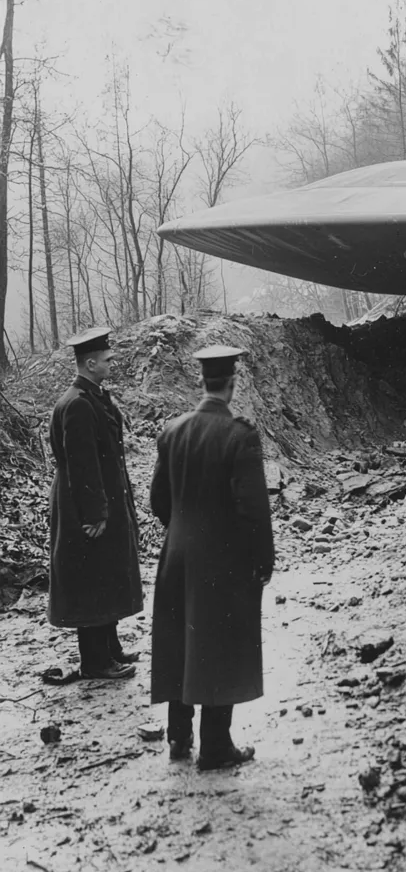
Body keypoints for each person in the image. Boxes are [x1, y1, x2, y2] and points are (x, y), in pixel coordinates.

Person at [149, 345, 275, 770]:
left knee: (179, 641)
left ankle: (178, 738)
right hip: (222, 559)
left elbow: (158, 501)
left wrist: (183, 529)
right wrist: (262, 558)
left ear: (201, 382)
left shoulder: (172, 430)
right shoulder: (241, 435)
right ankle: (216, 746)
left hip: (176, 555)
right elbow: (254, 508)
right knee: (219, 645)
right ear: (233, 383)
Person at [48, 327, 143, 681]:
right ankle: (95, 662)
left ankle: (111, 649)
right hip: (85, 505)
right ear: (90, 363)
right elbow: (81, 463)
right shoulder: (77, 405)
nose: (112, 364)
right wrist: (94, 514)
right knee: (92, 578)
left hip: (99, 500)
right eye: (107, 360)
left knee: (107, 572)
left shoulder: (91, 397)